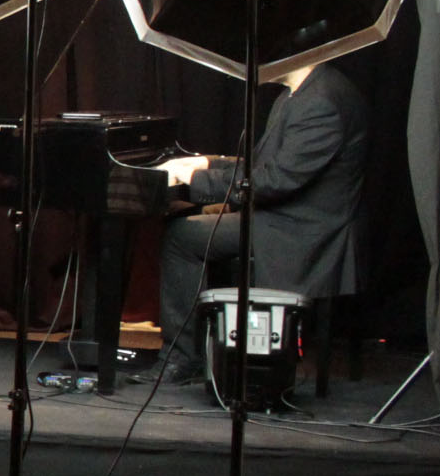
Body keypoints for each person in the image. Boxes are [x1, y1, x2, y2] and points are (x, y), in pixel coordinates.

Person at [142, 61, 368, 385]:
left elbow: (276, 181)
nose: (253, 63)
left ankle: (182, 359)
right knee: (187, 220)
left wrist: (195, 179)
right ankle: (208, 349)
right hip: (287, 217)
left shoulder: (321, 102)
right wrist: (207, 163)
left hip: (301, 231)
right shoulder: (299, 93)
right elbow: (265, 165)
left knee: (181, 237)